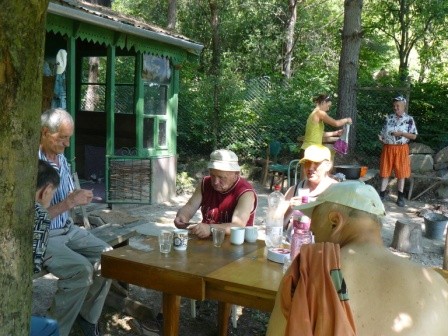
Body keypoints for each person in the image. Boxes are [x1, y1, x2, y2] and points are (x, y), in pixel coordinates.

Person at [267, 181, 448, 335]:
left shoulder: (307, 271)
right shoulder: (438, 286)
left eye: (315, 223)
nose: (313, 231)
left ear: (335, 222)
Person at [38, 108, 112, 336]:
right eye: (61, 138)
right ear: (44, 133)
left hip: (67, 228)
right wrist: (68, 203)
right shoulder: (30, 164)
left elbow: (67, 197)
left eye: (69, 137)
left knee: (109, 257)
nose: (67, 144)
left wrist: (77, 194)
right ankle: (52, 331)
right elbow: (31, 218)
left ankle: (86, 317)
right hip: (43, 235)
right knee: (81, 271)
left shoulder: (60, 158)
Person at [174, 149, 257, 238]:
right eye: (213, 175)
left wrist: (210, 228)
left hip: (235, 245)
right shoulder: (205, 183)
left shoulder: (245, 192)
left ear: (236, 174)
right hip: (208, 242)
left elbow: (238, 225)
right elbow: (190, 206)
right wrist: (183, 216)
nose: (216, 182)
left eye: (221, 177)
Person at [31, 160, 61, 336]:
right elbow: (33, 266)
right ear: (46, 191)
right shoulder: (40, 214)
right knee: (49, 327)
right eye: (53, 195)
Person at [283, 145, 338, 229]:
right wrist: (290, 209)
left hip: (322, 241)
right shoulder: (294, 190)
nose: (310, 168)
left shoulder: (337, 190)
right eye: (307, 162)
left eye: (316, 163)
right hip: (296, 240)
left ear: (328, 165)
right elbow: (277, 225)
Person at [378, 95, 417, 207]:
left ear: (403, 106)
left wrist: (402, 134)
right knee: (385, 172)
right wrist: (381, 138)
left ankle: (400, 197)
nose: (395, 107)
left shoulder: (409, 119)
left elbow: (414, 136)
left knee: (401, 173)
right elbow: (382, 132)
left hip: (401, 149)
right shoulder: (389, 118)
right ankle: (382, 194)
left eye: (398, 105)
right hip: (388, 148)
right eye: (394, 105)